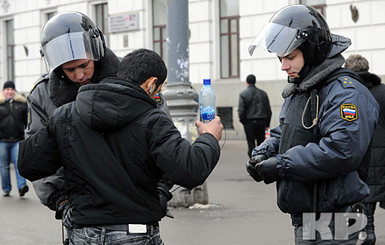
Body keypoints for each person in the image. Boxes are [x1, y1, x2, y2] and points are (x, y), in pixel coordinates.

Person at [18, 48, 223, 245]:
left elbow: (29, 164)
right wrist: (209, 138)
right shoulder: (152, 119)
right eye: (158, 90)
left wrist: (62, 201)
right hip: (137, 232)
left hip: (84, 233)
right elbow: (191, 170)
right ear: (151, 84)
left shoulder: (66, 115)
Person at [246, 5, 379, 244]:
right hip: (309, 217)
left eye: (290, 57)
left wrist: (281, 165)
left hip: (338, 221)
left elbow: (342, 149)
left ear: (313, 51)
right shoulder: (302, 87)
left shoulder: (345, 92)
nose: (283, 66)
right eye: (281, 58)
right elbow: (287, 132)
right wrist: (263, 152)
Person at [345, 54, 385, 245]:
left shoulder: (350, 92)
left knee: (364, 201)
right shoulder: (383, 91)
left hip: (361, 155)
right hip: (383, 156)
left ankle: (368, 233)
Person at [0, 81, 28, 197]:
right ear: (3, 91)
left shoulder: (21, 105)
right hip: (2, 141)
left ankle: (22, 187)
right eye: (7, 89)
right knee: (4, 166)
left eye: (12, 89)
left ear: (15, 91)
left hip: (18, 139)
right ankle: (6, 188)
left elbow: (26, 122)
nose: (10, 91)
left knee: (19, 164)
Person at [238, 74, 271, 158]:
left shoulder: (243, 94)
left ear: (247, 82)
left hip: (249, 122)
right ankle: (261, 159)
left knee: (251, 143)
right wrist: (267, 123)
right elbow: (268, 110)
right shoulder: (263, 93)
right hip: (261, 121)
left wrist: (243, 122)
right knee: (261, 143)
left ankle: (253, 160)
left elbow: (241, 111)